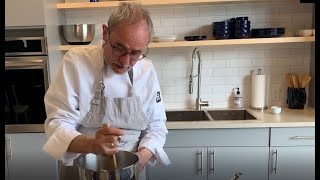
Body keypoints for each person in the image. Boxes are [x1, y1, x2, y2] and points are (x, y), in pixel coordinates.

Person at [42, 2, 171, 179]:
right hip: (83, 169)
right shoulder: (76, 62)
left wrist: (141, 159)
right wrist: (92, 144)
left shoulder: (146, 70)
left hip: (133, 169)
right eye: (119, 48)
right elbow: (57, 125)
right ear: (105, 33)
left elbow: (156, 125)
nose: (125, 61)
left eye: (135, 53)